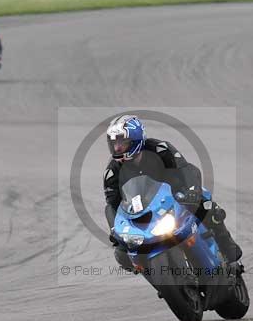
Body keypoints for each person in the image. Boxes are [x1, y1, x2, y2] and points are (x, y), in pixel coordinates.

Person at [103, 114, 242, 272]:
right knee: (122, 254)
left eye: (122, 143)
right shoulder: (112, 172)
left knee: (208, 206)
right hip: (143, 213)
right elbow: (112, 205)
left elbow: (187, 170)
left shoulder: (160, 149)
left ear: (135, 140)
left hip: (177, 198)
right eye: (114, 144)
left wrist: (192, 191)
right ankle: (158, 278)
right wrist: (115, 230)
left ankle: (229, 251)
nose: (117, 148)